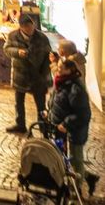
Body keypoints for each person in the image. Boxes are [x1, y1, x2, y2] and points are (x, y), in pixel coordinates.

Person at [45, 58, 96, 195]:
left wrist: (66, 124)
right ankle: (88, 178)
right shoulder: (60, 81)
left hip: (74, 130)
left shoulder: (76, 88)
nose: (58, 68)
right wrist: (48, 112)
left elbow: (83, 114)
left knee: (75, 159)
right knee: (60, 156)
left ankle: (76, 188)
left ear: (70, 70)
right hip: (59, 128)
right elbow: (56, 101)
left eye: (62, 67)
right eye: (59, 66)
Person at [4, 13, 52, 133]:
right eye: (27, 27)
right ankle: (20, 125)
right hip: (20, 75)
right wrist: (17, 52)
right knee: (19, 102)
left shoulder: (41, 37)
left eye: (31, 27)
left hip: (37, 76)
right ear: (21, 27)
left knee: (41, 104)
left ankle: (43, 126)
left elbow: (48, 56)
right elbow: (7, 49)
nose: (30, 30)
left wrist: (45, 75)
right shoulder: (13, 36)